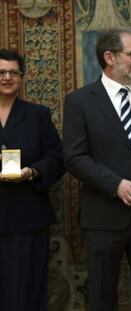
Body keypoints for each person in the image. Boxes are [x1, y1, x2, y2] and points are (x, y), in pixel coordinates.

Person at [63, 28, 131, 311]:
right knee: (101, 298)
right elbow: (74, 157)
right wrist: (116, 185)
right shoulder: (80, 101)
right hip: (102, 217)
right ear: (109, 57)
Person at [0, 49, 64, 311]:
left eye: (13, 72)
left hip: (27, 217)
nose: (7, 77)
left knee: (26, 293)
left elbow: (57, 157)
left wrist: (33, 172)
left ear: (22, 77)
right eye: (1, 72)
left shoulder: (38, 114)